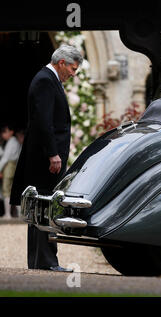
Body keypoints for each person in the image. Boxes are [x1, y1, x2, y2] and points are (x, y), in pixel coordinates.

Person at [10, 44, 83, 272]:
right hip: (44, 159)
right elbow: (43, 121)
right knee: (45, 208)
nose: (73, 73)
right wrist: (53, 154)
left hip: (44, 157)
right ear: (61, 63)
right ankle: (46, 262)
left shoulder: (49, 80)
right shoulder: (45, 80)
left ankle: (41, 261)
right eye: (72, 68)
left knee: (42, 208)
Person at [0, 124, 21, 219]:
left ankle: (8, 214)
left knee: (6, 190)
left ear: (11, 132)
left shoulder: (12, 142)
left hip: (9, 166)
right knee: (12, 190)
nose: (3, 134)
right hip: (12, 167)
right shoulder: (14, 141)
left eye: (5, 131)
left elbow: (5, 158)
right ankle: (18, 214)